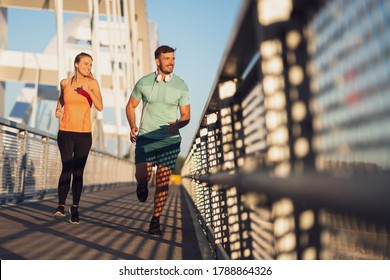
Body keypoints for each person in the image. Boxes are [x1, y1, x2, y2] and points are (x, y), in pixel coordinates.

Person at [126, 45, 190, 235]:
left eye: (173, 59)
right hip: (145, 137)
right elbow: (130, 106)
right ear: (157, 61)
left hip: (169, 140)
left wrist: (178, 124)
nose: (171, 62)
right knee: (143, 175)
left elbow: (186, 115)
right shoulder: (144, 82)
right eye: (167, 59)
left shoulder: (181, 85)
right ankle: (143, 183)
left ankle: (155, 219)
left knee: (163, 180)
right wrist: (132, 125)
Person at [53, 52, 103, 224]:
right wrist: (58, 108)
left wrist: (88, 91)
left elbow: (100, 106)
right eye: (86, 64)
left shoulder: (92, 83)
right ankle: (60, 205)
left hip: (83, 135)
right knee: (67, 167)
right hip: (65, 131)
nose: (89, 67)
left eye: (91, 64)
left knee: (78, 171)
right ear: (76, 64)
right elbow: (61, 99)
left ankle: (74, 207)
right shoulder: (65, 83)